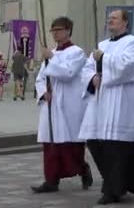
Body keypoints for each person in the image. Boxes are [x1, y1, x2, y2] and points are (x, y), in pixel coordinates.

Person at [79, 9, 134, 205]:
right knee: (94, 141)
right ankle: (117, 183)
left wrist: (104, 59)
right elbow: (87, 68)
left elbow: (129, 67)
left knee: (116, 147)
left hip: (121, 100)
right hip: (100, 101)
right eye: (109, 19)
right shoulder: (102, 45)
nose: (110, 21)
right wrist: (93, 77)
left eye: (114, 19)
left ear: (125, 23)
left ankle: (112, 190)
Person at [31, 17, 92, 193]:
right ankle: (51, 180)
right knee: (50, 144)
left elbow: (68, 73)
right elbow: (41, 77)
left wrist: (52, 58)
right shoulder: (50, 53)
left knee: (70, 145)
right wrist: (44, 92)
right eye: (53, 30)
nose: (55, 33)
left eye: (58, 29)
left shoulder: (77, 52)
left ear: (68, 30)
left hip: (69, 104)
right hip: (51, 104)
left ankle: (83, 169)